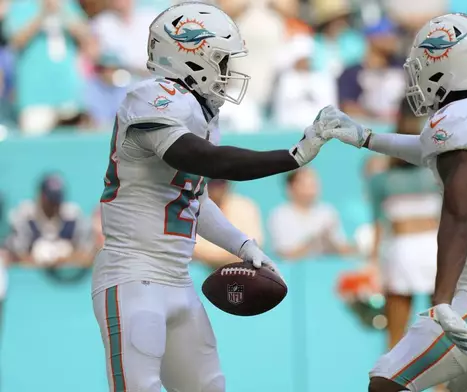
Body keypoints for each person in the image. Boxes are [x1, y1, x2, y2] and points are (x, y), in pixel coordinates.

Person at [91, 3, 329, 392]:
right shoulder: (152, 97)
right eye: (220, 60)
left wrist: (243, 244)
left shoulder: (200, 113)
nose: (226, 71)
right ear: (189, 55)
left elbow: (193, 197)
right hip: (132, 275)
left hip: (176, 277)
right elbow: (202, 159)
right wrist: (292, 156)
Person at [316, 13, 467, 392]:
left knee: (387, 379)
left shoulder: (457, 121)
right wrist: (367, 138)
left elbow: (458, 213)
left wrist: (442, 302)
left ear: (451, 65)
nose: (420, 74)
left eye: (427, 64)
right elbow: (436, 151)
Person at [366, 99, 441, 350]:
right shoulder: (437, 173)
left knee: (397, 336)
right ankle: (441, 389)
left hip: (406, 252)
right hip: (428, 250)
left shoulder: (381, 179)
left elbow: (378, 224)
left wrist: (373, 264)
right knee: (441, 332)